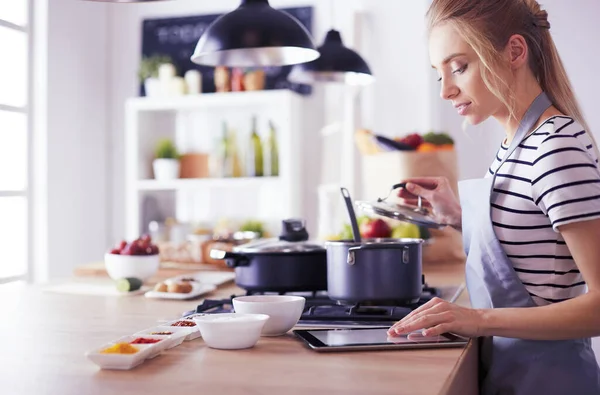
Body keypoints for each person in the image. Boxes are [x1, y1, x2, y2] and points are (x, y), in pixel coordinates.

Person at [386, 0, 600, 394]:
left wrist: (477, 319)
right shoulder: (515, 146)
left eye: (459, 67)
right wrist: (456, 216)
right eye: (440, 74)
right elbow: (536, 247)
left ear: (515, 52)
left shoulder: (555, 147)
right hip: (515, 375)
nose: (447, 90)